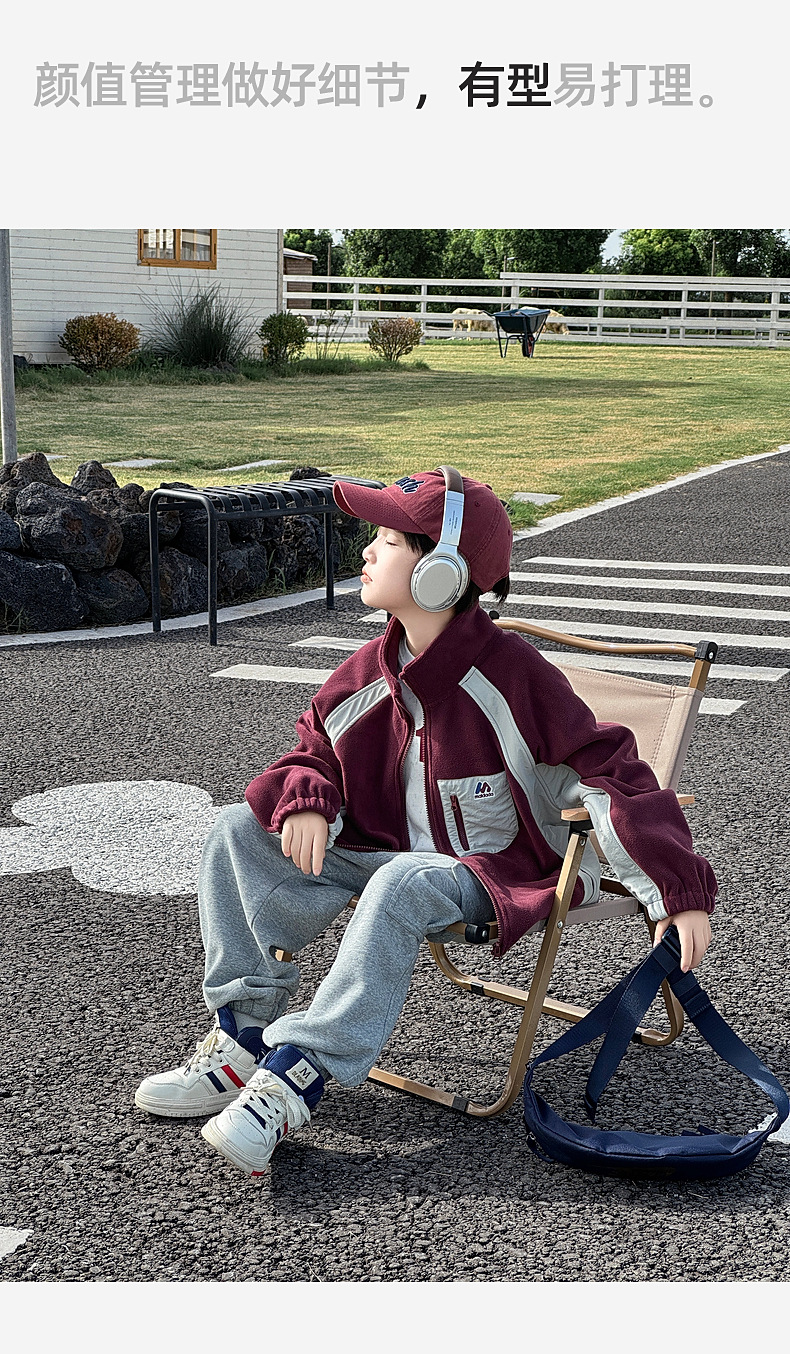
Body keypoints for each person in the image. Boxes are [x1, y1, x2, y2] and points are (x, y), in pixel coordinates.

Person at [135, 466, 716, 1178]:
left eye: (387, 540)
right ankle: (241, 1037)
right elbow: (312, 748)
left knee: (404, 881)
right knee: (237, 829)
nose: (367, 551)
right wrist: (308, 796)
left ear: (443, 572)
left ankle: (295, 1079)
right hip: (387, 855)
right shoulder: (368, 671)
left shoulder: (514, 675)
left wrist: (675, 892)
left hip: (491, 875)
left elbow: (613, 772)